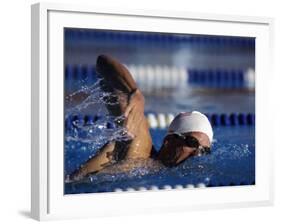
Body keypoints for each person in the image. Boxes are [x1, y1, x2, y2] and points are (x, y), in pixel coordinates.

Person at [68, 55, 213, 182]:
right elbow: (103, 63)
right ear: (169, 140)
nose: (197, 154)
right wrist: (134, 92)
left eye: (205, 150)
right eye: (192, 142)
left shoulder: (166, 175)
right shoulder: (139, 144)